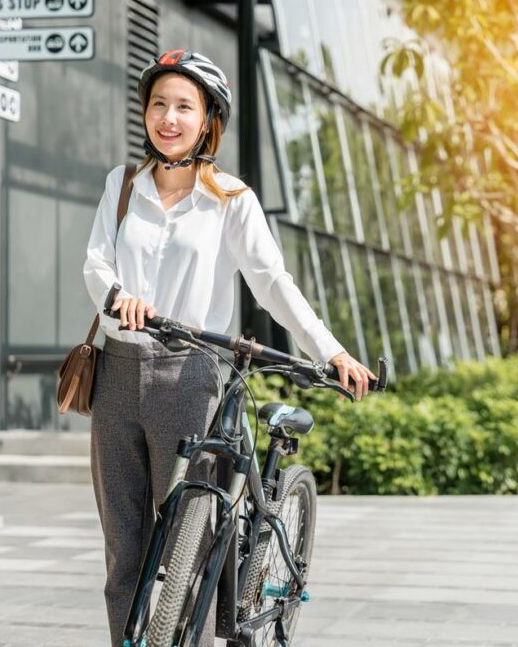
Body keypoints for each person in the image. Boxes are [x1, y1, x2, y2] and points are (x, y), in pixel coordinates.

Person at [82, 48, 374, 646]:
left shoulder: (230, 199)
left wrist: (332, 350)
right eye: (158, 104)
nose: (168, 117)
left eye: (183, 106)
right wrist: (118, 296)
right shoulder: (122, 186)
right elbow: (96, 263)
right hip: (117, 373)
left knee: (194, 537)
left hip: (192, 374)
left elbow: (272, 283)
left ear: (207, 118)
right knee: (125, 548)